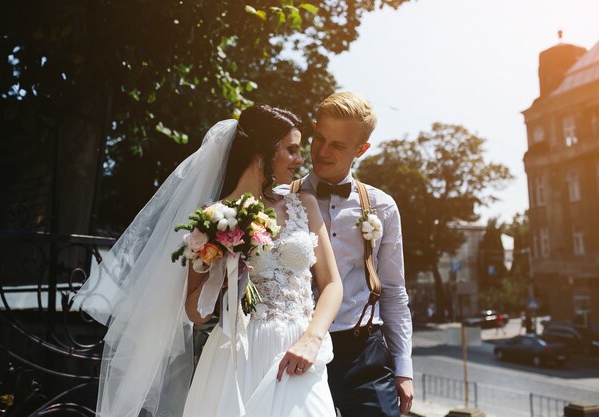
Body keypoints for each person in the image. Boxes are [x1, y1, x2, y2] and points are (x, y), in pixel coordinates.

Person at [73, 105, 343, 417]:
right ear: (262, 154)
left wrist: (312, 339)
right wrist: (225, 270)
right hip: (239, 353)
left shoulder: (304, 204)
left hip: (300, 350)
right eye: (291, 150)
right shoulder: (212, 219)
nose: (300, 160)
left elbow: (333, 284)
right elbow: (194, 312)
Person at [288, 92, 414, 417]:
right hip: (291, 345)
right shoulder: (278, 200)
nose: (323, 151)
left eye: (338, 146)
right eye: (319, 138)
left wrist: (403, 367)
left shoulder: (382, 207)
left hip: (363, 352)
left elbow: (394, 291)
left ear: (361, 150)